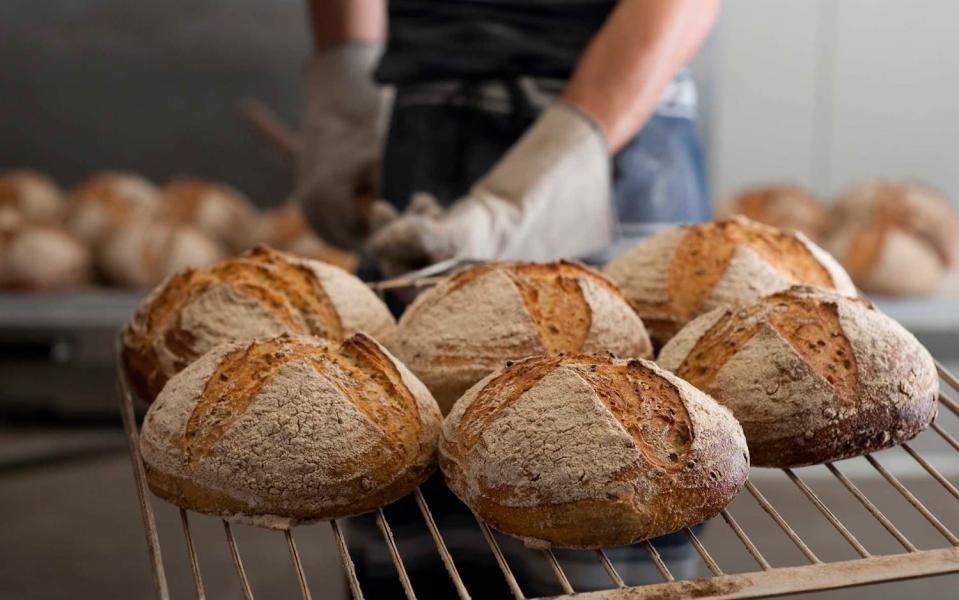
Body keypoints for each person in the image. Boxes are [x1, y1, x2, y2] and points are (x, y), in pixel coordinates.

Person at [295, 1, 720, 597]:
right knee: (414, 486)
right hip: (420, 124)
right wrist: (348, 80)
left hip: (615, 127)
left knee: (620, 462)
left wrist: (554, 167)